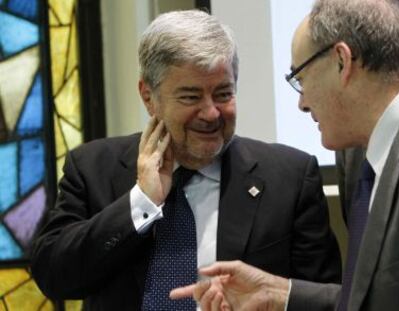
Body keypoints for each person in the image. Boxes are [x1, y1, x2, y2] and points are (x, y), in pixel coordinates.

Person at [30, 9, 341, 311]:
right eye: (191, 97)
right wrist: (142, 202)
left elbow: (325, 300)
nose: (210, 113)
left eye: (223, 94)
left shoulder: (289, 177)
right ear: (148, 97)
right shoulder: (93, 168)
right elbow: (55, 277)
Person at [170, 0, 399, 310]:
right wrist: (280, 294)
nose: (302, 103)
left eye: (300, 78)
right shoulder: (360, 160)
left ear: (342, 61)